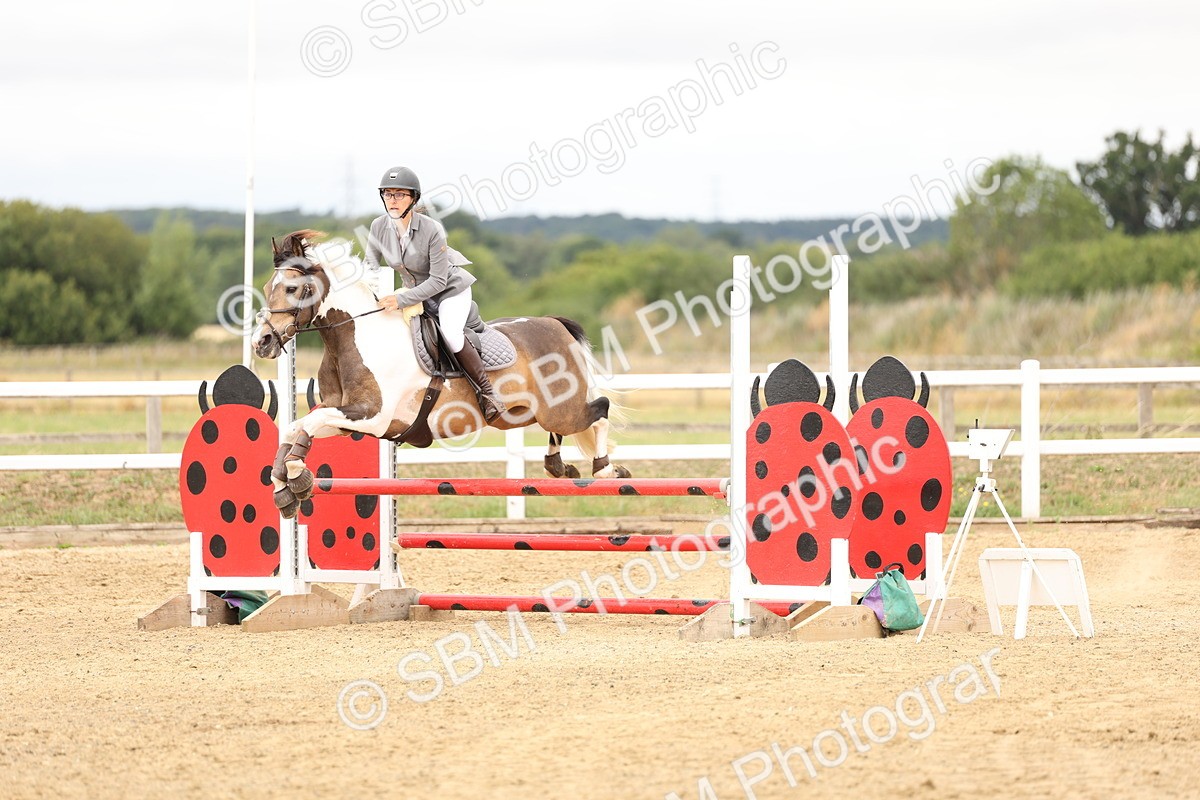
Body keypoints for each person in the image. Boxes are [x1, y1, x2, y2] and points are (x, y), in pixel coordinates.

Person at [364, 166, 506, 421]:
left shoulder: (431, 229)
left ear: (413, 199)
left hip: (450, 290)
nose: (392, 200)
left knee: (451, 335)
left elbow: (438, 281)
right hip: (416, 293)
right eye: (387, 194)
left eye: (399, 194)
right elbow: (370, 267)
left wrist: (399, 299)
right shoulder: (378, 227)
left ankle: (488, 394)